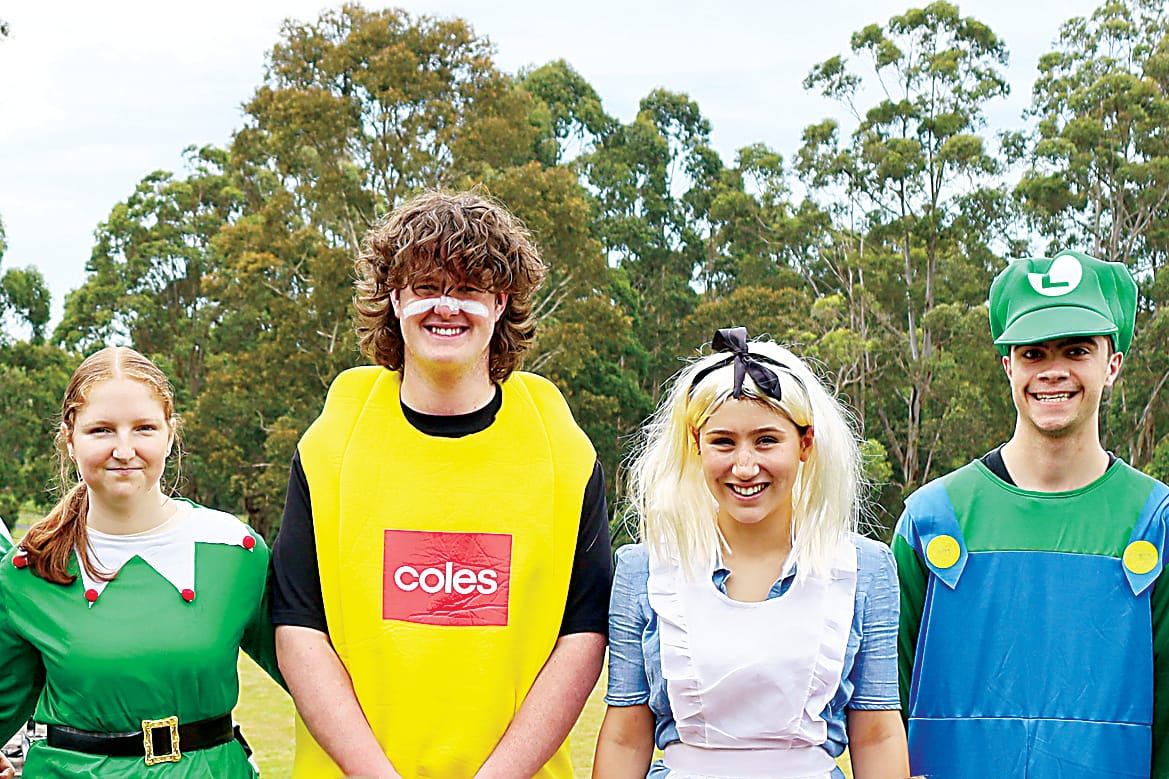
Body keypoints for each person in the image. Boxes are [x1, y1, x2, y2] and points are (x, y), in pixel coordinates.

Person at [271, 189, 612, 779]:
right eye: (426, 287)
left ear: (501, 302)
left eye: (469, 289)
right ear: (396, 298)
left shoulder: (562, 450)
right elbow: (300, 625)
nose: (446, 307)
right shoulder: (333, 443)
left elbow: (581, 635)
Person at [894, 250, 1168, 778]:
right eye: (1035, 353)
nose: (1054, 372)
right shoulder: (932, 520)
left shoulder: (1157, 522)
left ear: (1112, 364)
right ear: (1008, 365)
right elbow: (880, 714)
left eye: (1076, 350)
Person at [593, 327, 908, 779]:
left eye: (766, 440)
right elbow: (626, 734)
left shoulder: (865, 570)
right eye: (723, 442)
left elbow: (876, 733)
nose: (744, 466)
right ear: (695, 445)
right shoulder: (643, 570)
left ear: (805, 443)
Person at [0, 346, 281, 777]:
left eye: (144, 428)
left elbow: (318, 680)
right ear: (69, 439)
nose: (124, 449)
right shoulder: (29, 570)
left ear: (170, 435)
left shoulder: (236, 552)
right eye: (102, 431)